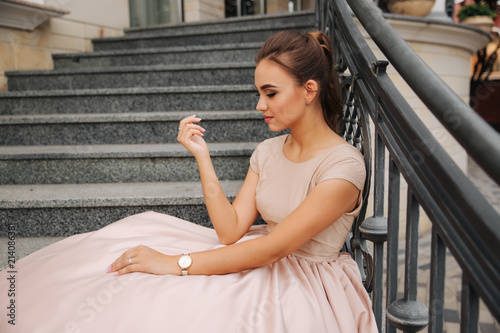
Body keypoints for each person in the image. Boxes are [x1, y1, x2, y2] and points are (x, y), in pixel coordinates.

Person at [0, 30, 377, 332]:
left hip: (305, 279)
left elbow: (274, 250)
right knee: (120, 276)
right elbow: (230, 231)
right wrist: (203, 158)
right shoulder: (268, 150)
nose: (259, 105)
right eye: (259, 92)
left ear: (309, 90)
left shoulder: (343, 166)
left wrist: (174, 262)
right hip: (256, 250)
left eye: (270, 93)